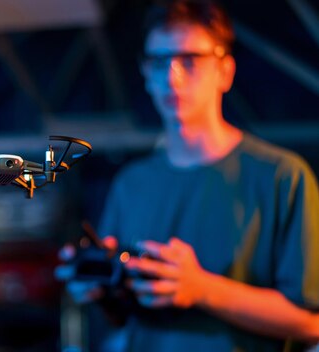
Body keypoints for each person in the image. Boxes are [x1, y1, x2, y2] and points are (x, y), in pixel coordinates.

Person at [58, 0, 319, 351]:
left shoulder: (281, 177)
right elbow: (121, 318)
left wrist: (203, 289)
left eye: (190, 60)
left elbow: (311, 323)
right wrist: (98, 288)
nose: (172, 77)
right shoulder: (130, 184)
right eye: (159, 62)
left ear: (225, 71)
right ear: (145, 74)